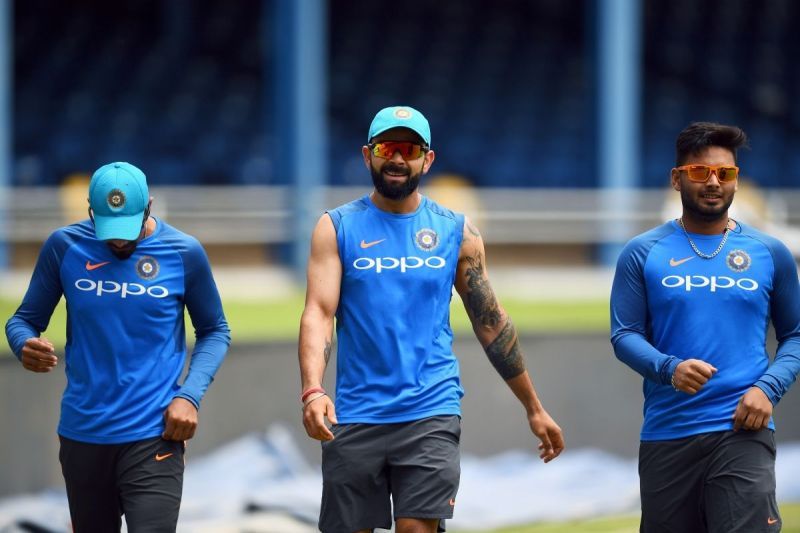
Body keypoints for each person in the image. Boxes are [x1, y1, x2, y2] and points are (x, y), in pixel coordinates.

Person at [298, 105, 564, 533]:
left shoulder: (457, 232)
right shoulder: (336, 227)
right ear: (368, 155)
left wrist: (533, 407)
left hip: (431, 411)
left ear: (428, 159)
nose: (398, 159)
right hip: (356, 412)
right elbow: (318, 313)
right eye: (388, 147)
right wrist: (312, 390)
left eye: (410, 149)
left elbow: (491, 321)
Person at [5, 162, 231, 532]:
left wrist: (189, 395)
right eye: (109, 229)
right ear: (91, 211)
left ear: (150, 206)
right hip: (83, 435)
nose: (120, 241)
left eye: (130, 227)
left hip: (154, 434)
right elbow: (22, 320)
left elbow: (215, 330)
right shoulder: (65, 247)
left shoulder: (183, 253)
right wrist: (23, 343)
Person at [610, 122, 800, 532]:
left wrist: (767, 389)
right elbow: (624, 335)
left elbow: (796, 335)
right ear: (677, 179)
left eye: (725, 174)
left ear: (736, 181)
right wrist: (669, 368)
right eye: (700, 172)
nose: (714, 182)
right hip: (668, 434)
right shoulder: (642, 252)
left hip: (742, 429)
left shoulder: (770, 253)